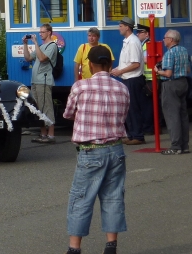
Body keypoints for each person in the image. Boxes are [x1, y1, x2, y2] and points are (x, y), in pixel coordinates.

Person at [63, 45, 130, 254]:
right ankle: (111, 246)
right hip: (116, 149)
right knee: (113, 197)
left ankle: (75, 248)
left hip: (91, 150)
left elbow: (68, 113)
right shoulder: (122, 88)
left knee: (81, 198)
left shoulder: (80, 87)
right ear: (110, 64)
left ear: (90, 65)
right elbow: (124, 115)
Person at [110, 16, 146, 145]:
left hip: (133, 79)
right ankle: (131, 134)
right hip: (127, 78)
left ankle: (138, 135)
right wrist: (116, 69)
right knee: (128, 108)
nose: (119, 28)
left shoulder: (133, 42)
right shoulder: (127, 41)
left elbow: (135, 64)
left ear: (127, 27)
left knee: (133, 108)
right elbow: (127, 63)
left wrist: (120, 71)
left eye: (120, 26)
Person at [155, 29, 190, 155]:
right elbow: (187, 70)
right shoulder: (184, 50)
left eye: (165, 38)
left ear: (171, 39)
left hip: (171, 85)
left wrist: (157, 71)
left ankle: (175, 146)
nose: (164, 40)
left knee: (172, 116)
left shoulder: (169, 54)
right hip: (183, 83)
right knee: (183, 116)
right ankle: (184, 145)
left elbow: (168, 73)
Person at [23, 23, 58, 143]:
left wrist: (36, 43)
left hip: (44, 81)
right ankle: (43, 134)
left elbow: (43, 59)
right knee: (38, 108)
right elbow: (28, 58)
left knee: (47, 106)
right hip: (35, 81)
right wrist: (25, 44)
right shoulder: (41, 46)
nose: (40, 34)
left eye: (42, 32)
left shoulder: (52, 46)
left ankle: (51, 134)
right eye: (40, 32)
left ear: (49, 32)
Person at [136, 24, 155, 134]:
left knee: (148, 106)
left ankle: (149, 128)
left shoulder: (148, 44)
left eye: (140, 32)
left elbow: (147, 60)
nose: (137, 34)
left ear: (147, 33)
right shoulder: (144, 44)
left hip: (150, 78)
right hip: (148, 77)